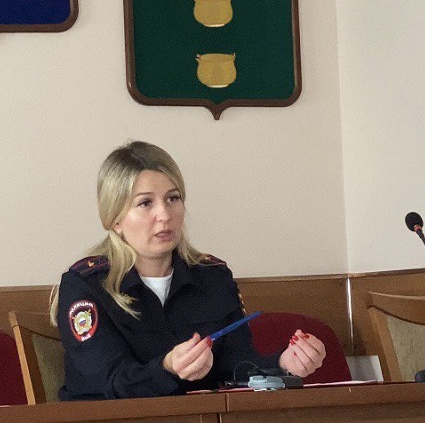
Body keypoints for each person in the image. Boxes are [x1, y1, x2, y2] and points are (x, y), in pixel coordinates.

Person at [52, 141, 326, 400]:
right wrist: (167, 368)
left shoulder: (213, 277)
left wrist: (284, 364)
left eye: (173, 198)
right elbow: (111, 382)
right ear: (115, 219)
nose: (165, 214)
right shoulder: (86, 286)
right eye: (146, 203)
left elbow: (238, 368)